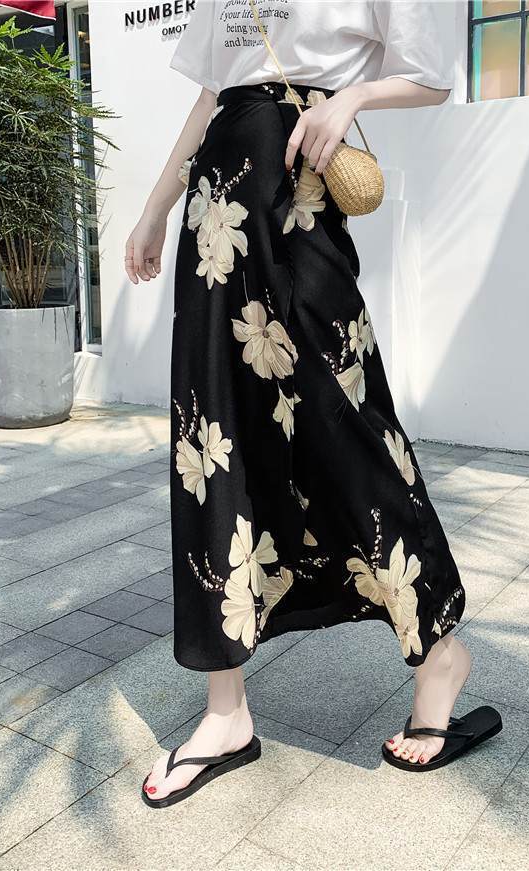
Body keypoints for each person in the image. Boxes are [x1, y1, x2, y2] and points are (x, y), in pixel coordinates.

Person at [125, 0, 501, 809]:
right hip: (215, 215)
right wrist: (155, 209)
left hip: (300, 198)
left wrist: (351, 98)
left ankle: (440, 652)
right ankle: (225, 709)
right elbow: (210, 97)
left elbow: (431, 75)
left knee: (348, 422)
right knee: (210, 437)